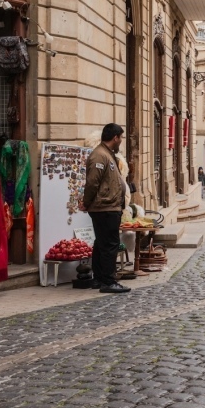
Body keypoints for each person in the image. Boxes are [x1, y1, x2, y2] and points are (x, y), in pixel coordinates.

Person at [80, 123, 130, 294]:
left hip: (108, 207)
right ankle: (108, 281)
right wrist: (86, 202)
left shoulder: (107, 154)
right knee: (110, 245)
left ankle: (99, 278)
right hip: (105, 207)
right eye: (121, 138)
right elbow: (92, 183)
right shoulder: (100, 156)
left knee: (101, 243)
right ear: (115, 138)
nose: (121, 141)